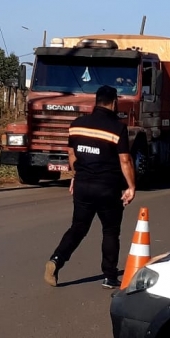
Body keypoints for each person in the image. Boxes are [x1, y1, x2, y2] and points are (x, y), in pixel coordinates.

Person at [44, 85, 136, 289]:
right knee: (110, 231)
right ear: (113, 103)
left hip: (83, 186)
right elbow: (125, 161)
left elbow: (71, 154)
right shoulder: (117, 128)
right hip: (107, 188)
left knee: (78, 227)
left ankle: (56, 260)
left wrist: (76, 176)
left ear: (96, 101)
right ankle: (110, 277)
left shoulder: (77, 125)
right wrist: (131, 186)